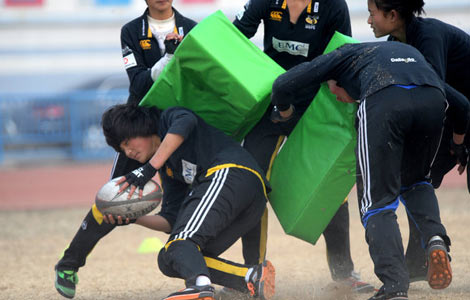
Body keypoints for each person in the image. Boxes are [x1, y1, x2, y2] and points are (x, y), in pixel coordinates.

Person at [271, 40, 456, 300]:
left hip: (385, 97)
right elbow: (460, 103)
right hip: (433, 97)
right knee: (416, 181)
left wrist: (284, 110)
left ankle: (394, 286)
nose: (336, 97)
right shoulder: (402, 52)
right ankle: (436, 239)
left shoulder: (341, 56)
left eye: (332, 91)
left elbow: (282, 84)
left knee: (376, 201)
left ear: (334, 79)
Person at [54, 1, 197, 298]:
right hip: (140, 129)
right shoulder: (131, 31)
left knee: (193, 202)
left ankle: (208, 275)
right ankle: (69, 264)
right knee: (115, 198)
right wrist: (169, 56)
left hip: (181, 127)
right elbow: (140, 82)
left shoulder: (193, 29)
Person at [231, 0, 374, 294]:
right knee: (251, 183)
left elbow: (343, 54)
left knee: (329, 184)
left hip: (314, 105)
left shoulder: (334, 5)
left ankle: (344, 273)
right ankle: (253, 271)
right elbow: (233, 38)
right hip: (272, 103)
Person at [101, 104, 276, 300]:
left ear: (142, 128)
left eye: (127, 142)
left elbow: (187, 121)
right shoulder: (168, 170)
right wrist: (134, 217)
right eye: (122, 149)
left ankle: (200, 287)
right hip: (247, 200)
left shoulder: (167, 118)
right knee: (171, 257)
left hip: (232, 173)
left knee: (181, 244)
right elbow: (171, 219)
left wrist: (149, 168)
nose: (128, 152)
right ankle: (248, 279)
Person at [366, 0, 470, 283]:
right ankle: (417, 263)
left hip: (461, 113)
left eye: (372, 13)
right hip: (456, 116)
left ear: (393, 15)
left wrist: (459, 143)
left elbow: (440, 92)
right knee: (416, 180)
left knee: (418, 179)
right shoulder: (396, 42)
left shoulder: (429, 35)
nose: (368, 21)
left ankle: (418, 260)